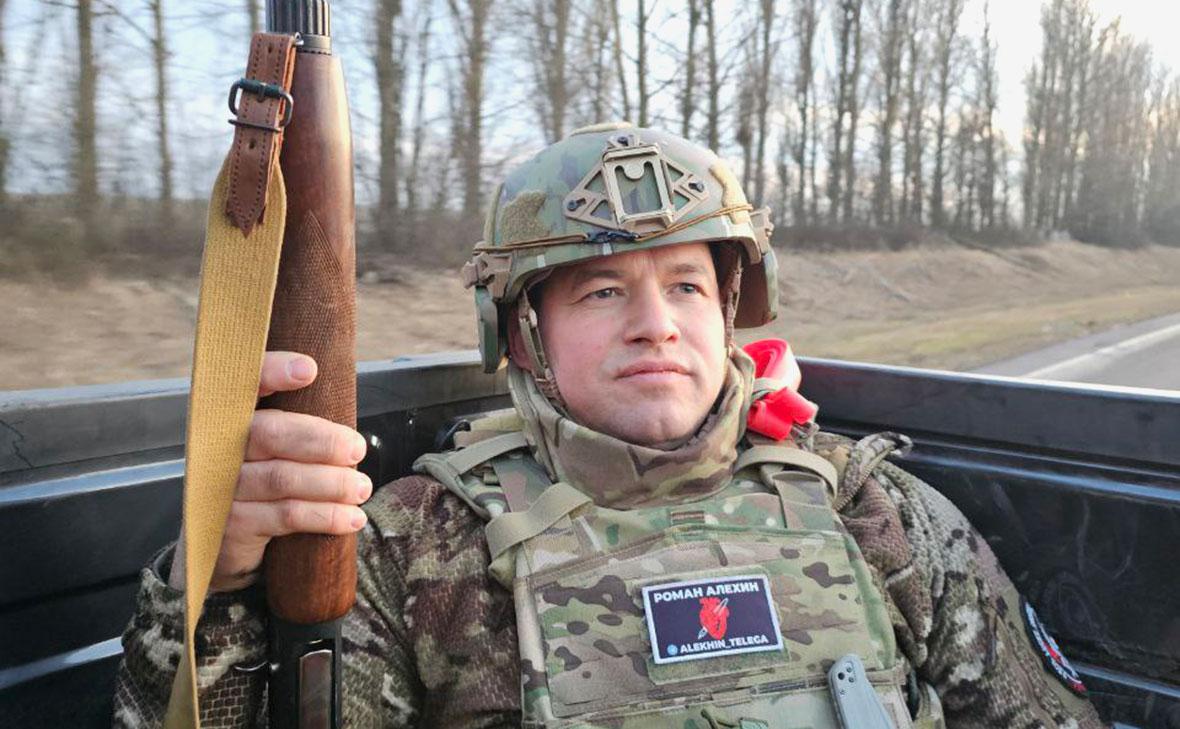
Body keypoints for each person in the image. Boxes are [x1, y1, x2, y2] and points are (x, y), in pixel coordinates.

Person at [113, 123, 1103, 728]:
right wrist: (215, 587)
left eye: (686, 285)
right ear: (522, 332)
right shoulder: (413, 550)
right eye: (600, 291)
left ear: (729, 312)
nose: (655, 324)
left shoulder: (873, 511)